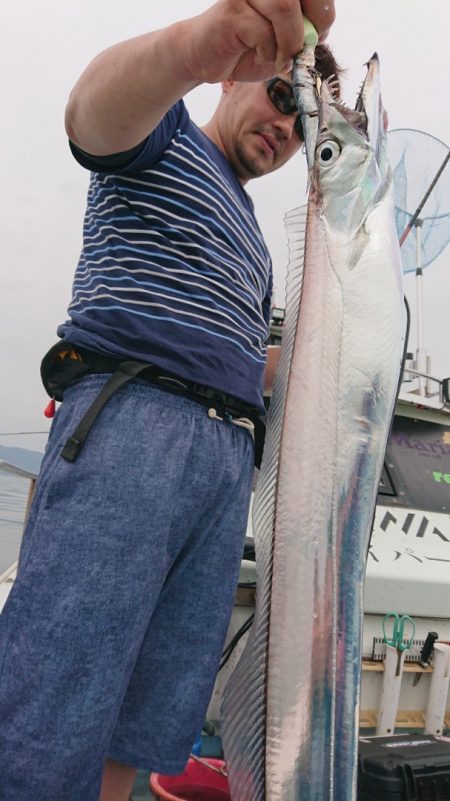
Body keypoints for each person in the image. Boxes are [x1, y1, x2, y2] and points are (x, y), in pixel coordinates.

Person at [0, 2, 338, 800]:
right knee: (58, 684)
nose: (286, 128)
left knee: (151, 709)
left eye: (301, 123)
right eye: (282, 97)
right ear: (230, 79)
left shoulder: (256, 241)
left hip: (225, 466)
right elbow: (90, 114)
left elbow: (242, 359)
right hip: (135, 430)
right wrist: (200, 42)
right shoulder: (164, 138)